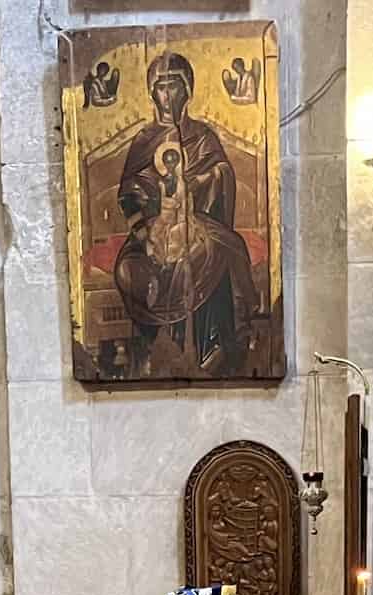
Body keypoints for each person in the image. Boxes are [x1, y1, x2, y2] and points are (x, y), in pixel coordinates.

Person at [112, 52, 254, 376]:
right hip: (151, 228)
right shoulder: (144, 140)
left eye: (174, 86)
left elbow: (223, 173)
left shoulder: (202, 136)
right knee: (126, 268)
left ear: (187, 90)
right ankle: (150, 348)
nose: (167, 95)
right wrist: (144, 231)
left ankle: (211, 345)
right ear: (151, 92)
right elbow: (128, 192)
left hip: (198, 220)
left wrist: (204, 180)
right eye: (161, 87)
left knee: (213, 251)